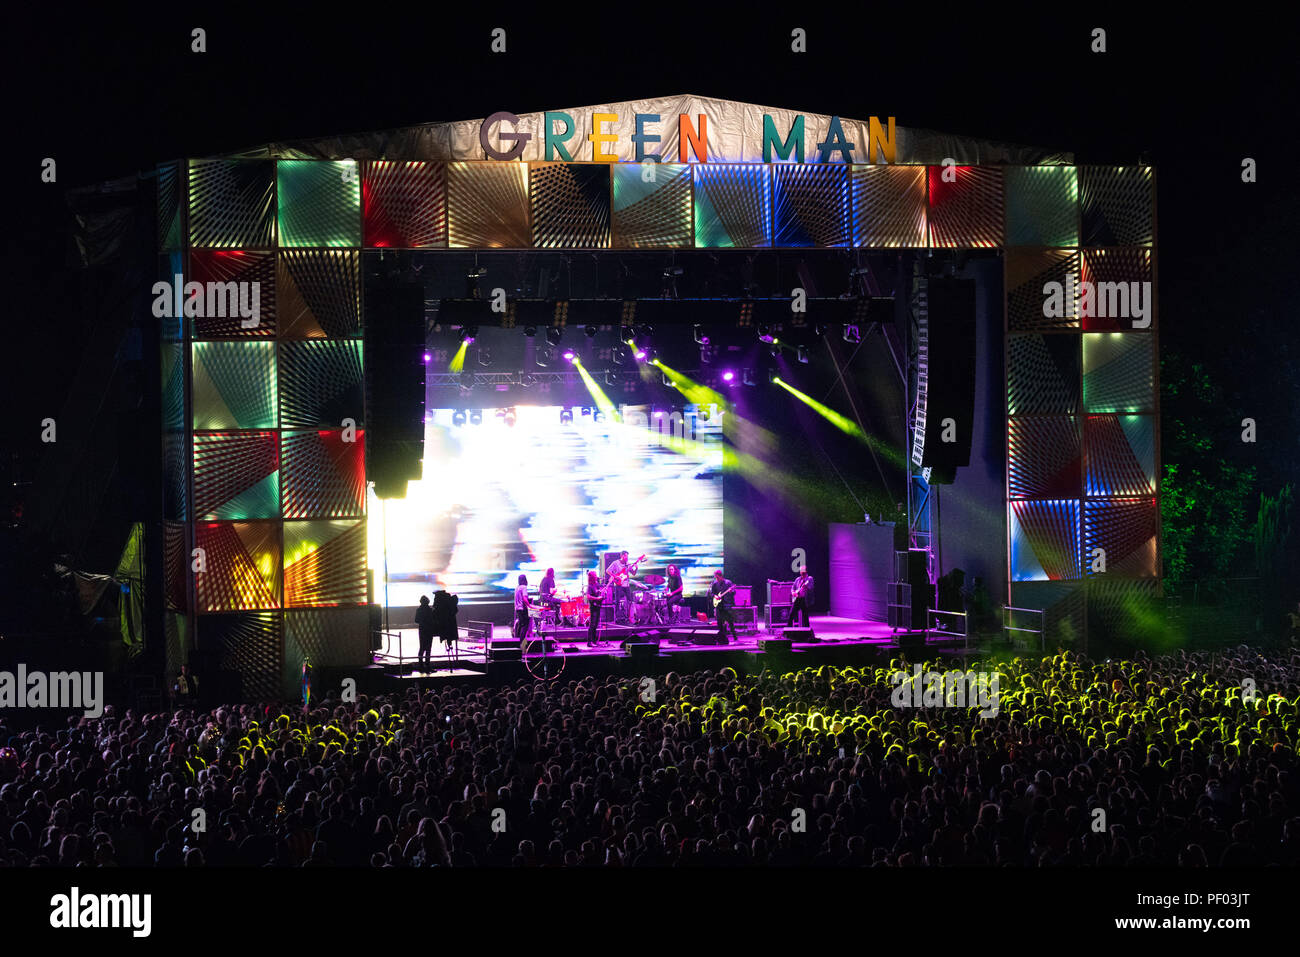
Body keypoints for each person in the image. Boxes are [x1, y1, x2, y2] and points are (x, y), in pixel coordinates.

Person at [709, 570, 737, 645]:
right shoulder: (715, 583)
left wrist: (731, 591)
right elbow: (712, 593)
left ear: (721, 576)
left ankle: (735, 637)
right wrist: (715, 596)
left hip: (727, 605)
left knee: (730, 621)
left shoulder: (728, 583)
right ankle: (722, 637)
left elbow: (734, 592)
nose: (716, 579)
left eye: (717, 577)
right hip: (719, 605)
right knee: (719, 622)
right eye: (716, 577)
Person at [414, 596, 436, 672]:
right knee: (428, 649)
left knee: (422, 648)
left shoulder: (419, 610)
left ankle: (421, 665)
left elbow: (416, 620)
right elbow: (434, 620)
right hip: (429, 630)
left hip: (422, 630)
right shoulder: (430, 610)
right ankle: (427, 665)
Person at [585, 571, 603, 645]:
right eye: (595, 575)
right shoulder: (590, 586)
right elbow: (588, 596)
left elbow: (599, 593)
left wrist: (602, 595)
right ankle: (589, 642)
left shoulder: (597, 584)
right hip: (593, 606)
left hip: (598, 606)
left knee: (596, 624)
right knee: (592, 624)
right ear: (592, 577)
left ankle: (594, 640)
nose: (596, 576)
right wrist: (597, 599)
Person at [513, 574, 531, 644]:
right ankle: (521, 642)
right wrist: (530, 606)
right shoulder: (524, 587)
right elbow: (525, 599)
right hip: (522, 609)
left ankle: (516, 641)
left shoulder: (517, 587)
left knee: (520, 625)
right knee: (525, 625)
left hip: (517, 608)